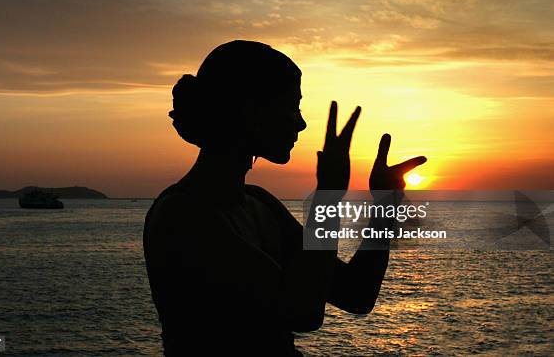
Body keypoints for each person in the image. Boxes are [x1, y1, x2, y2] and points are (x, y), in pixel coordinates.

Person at [143, 40, 426, 356]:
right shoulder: (183, 217)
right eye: (292, 105)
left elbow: (356, 293)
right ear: (250, 108)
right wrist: (328, 195)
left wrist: (384, 204)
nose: (301, 122)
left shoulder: (259, 204)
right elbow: (303, 312)